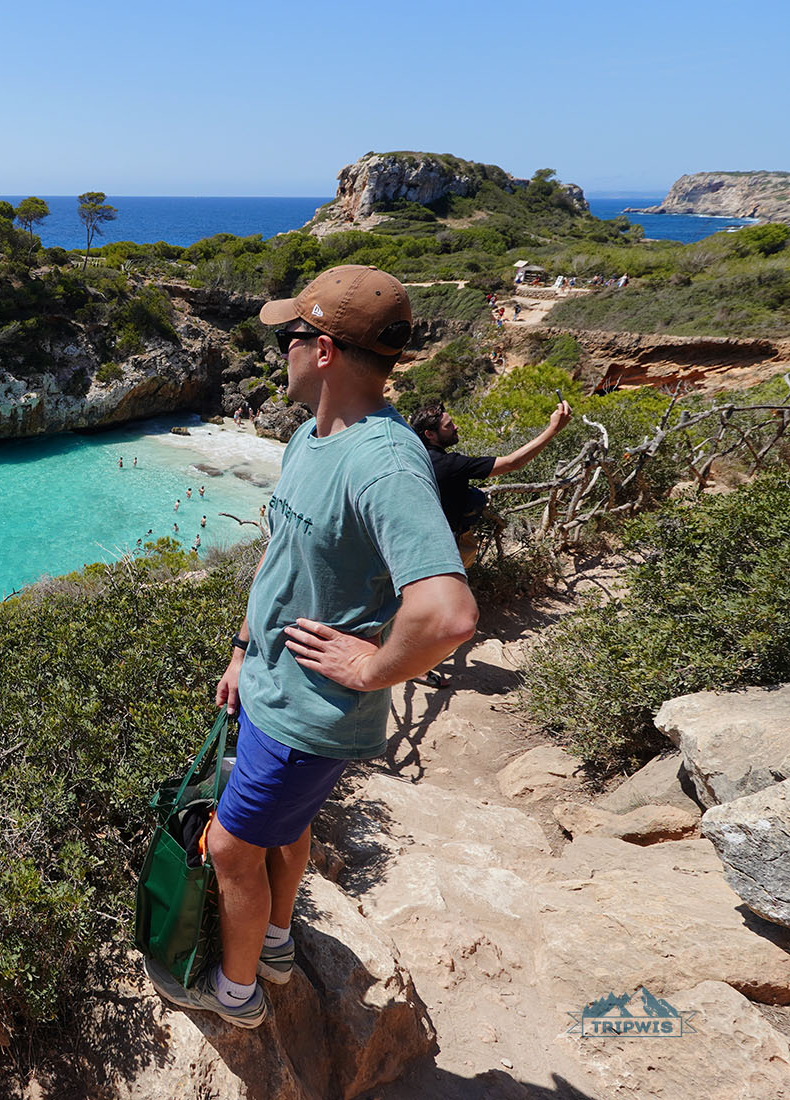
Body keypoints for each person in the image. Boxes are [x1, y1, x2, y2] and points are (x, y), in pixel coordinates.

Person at [166, 265, 477, 1029]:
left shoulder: (383, 460)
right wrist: (242, 650)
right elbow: (280, 560)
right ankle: (274, 943)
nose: (283, 350)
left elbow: (447, 613)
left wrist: (370, 667)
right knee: (290, 829)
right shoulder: (312, 437)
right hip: (273, 689)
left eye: (291, 336)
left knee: (235, 851)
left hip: (311, 712)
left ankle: (234, 995)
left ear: (326, 351)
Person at [409, 399, 572, 568]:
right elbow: (511, 463)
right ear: (430, 434)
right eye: (449, 425)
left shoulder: (412, 458)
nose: (456, 427)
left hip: (417, 544)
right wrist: (554, 429)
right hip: (447, 546)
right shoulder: (449, 464)